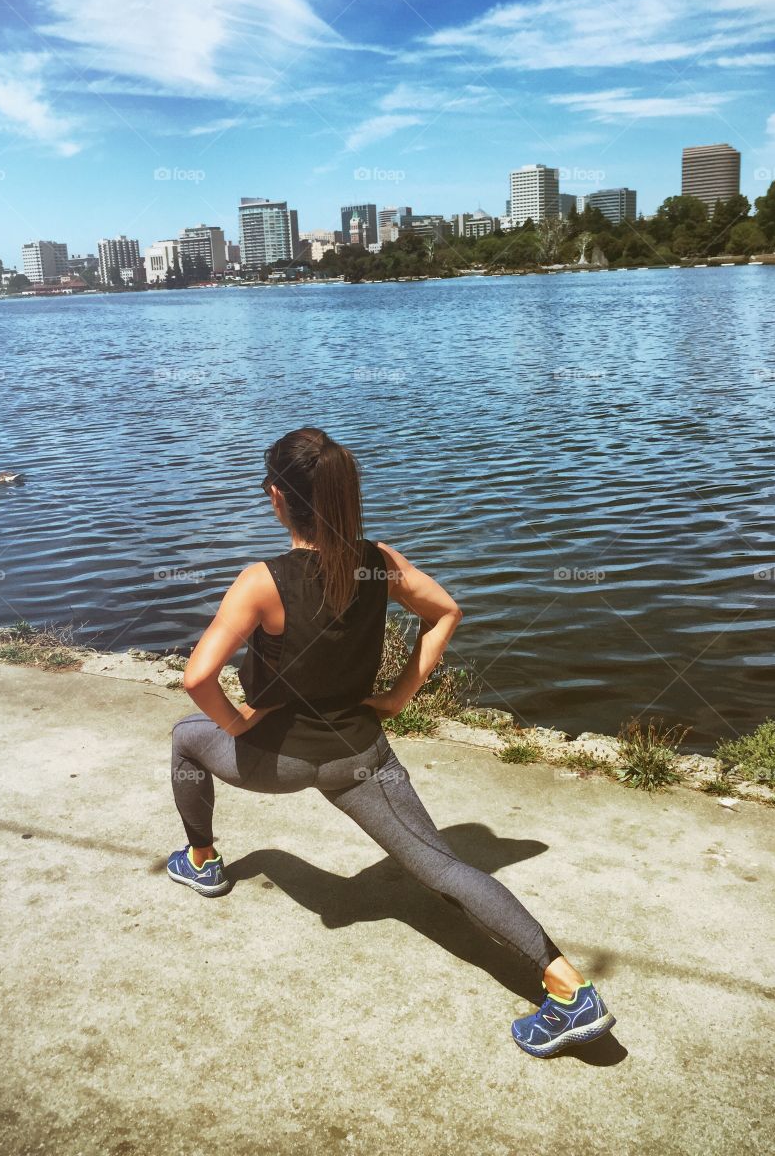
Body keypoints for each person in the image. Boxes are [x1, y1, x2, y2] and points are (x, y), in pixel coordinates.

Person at [168, 426, 616, 1058]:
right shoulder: (377, 559)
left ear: (277, 497)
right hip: (360, 752)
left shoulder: (261, 582)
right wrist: (402, 694)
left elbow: (197, 678)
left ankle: (203, 859)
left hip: (285, 759)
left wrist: (238, 725)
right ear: (344, 493)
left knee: (188, 740)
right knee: (443, 866)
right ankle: (569, 991)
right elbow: (447, 612)